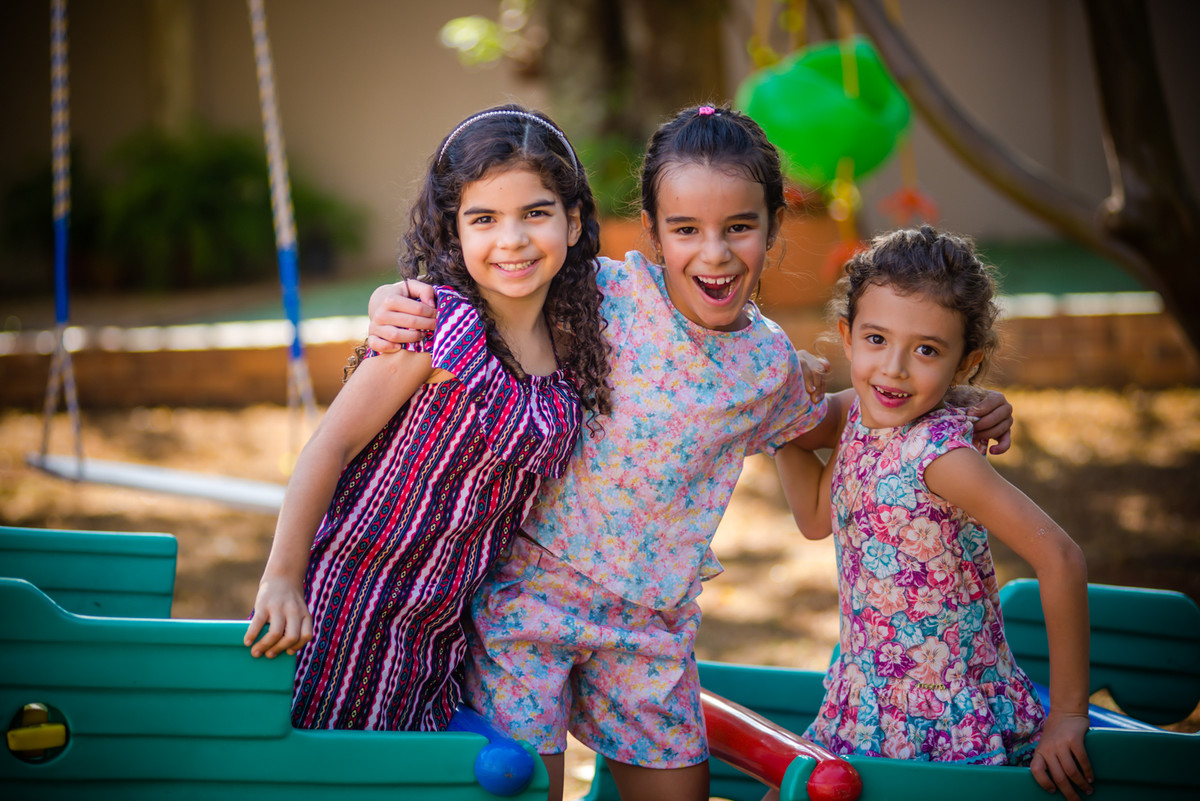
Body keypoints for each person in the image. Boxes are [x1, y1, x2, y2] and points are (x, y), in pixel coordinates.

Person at [365, 106, 1015, 801]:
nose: (715, 253)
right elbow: (492, 279)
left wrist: (949, 400)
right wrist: (387, 301)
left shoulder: (767, 365)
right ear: (652, 230)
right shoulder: (602, 293)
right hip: (530, 601)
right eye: (685, 229)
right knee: (527, 788)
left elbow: (831, 421)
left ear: (773, 226)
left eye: (739, 227)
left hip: (651, 627)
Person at [241, 104, 612, 735]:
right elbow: (330, 445)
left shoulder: (574, 347)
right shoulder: (431, 323)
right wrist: (281, 578)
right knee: (327, 762)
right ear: (453, 230)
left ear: (573, 223)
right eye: (484, 219)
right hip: (349, 604)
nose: (512, 239)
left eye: (536, 213)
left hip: (440, 632)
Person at [784, 226, 1092, 801]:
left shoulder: (941, 458)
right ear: (847, 336)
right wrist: (786, 402)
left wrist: (1070, 715)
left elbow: (1061, 557)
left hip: (943, 720)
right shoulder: (855, 416)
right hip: (865, 703)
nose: (894, 368)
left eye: (926, 350)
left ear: (965, 361)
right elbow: (814, 517)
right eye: (877, 339)